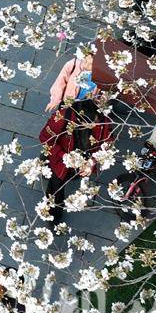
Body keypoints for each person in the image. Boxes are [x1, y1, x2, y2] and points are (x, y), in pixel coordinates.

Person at [40, 51, 113, 223]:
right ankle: (53, 216)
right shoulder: (63, 117)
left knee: (65, 179)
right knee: (56, 185)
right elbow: (46, 138)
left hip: (80, 160)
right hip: (61, 158)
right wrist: (62, 156)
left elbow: (107, 143)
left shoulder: (102, 123)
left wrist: (92, 162)